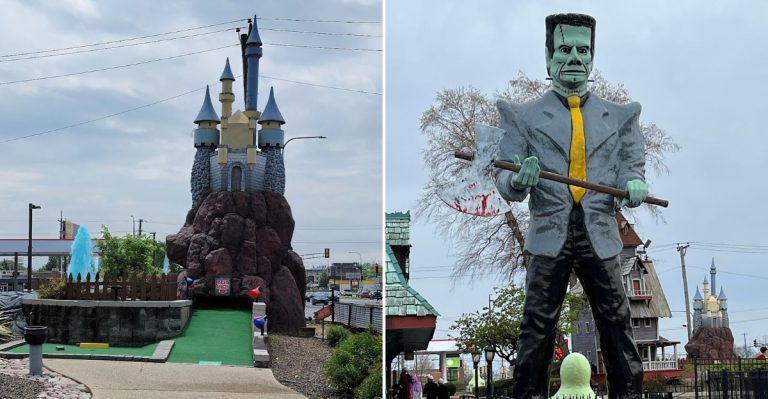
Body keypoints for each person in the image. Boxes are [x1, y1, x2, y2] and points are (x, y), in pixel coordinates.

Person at [494, 13, 647, 399]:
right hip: (549, 234)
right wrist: (517, 180)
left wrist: (634, 183)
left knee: (616, 321)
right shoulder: (521, 116)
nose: (575, 57)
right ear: (548, 59)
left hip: (599, 233)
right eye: (565, 49)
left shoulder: (622, 116)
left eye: (583, 49)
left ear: (592, 58)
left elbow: (632, 165)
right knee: (537, 325)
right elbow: (504, 178)